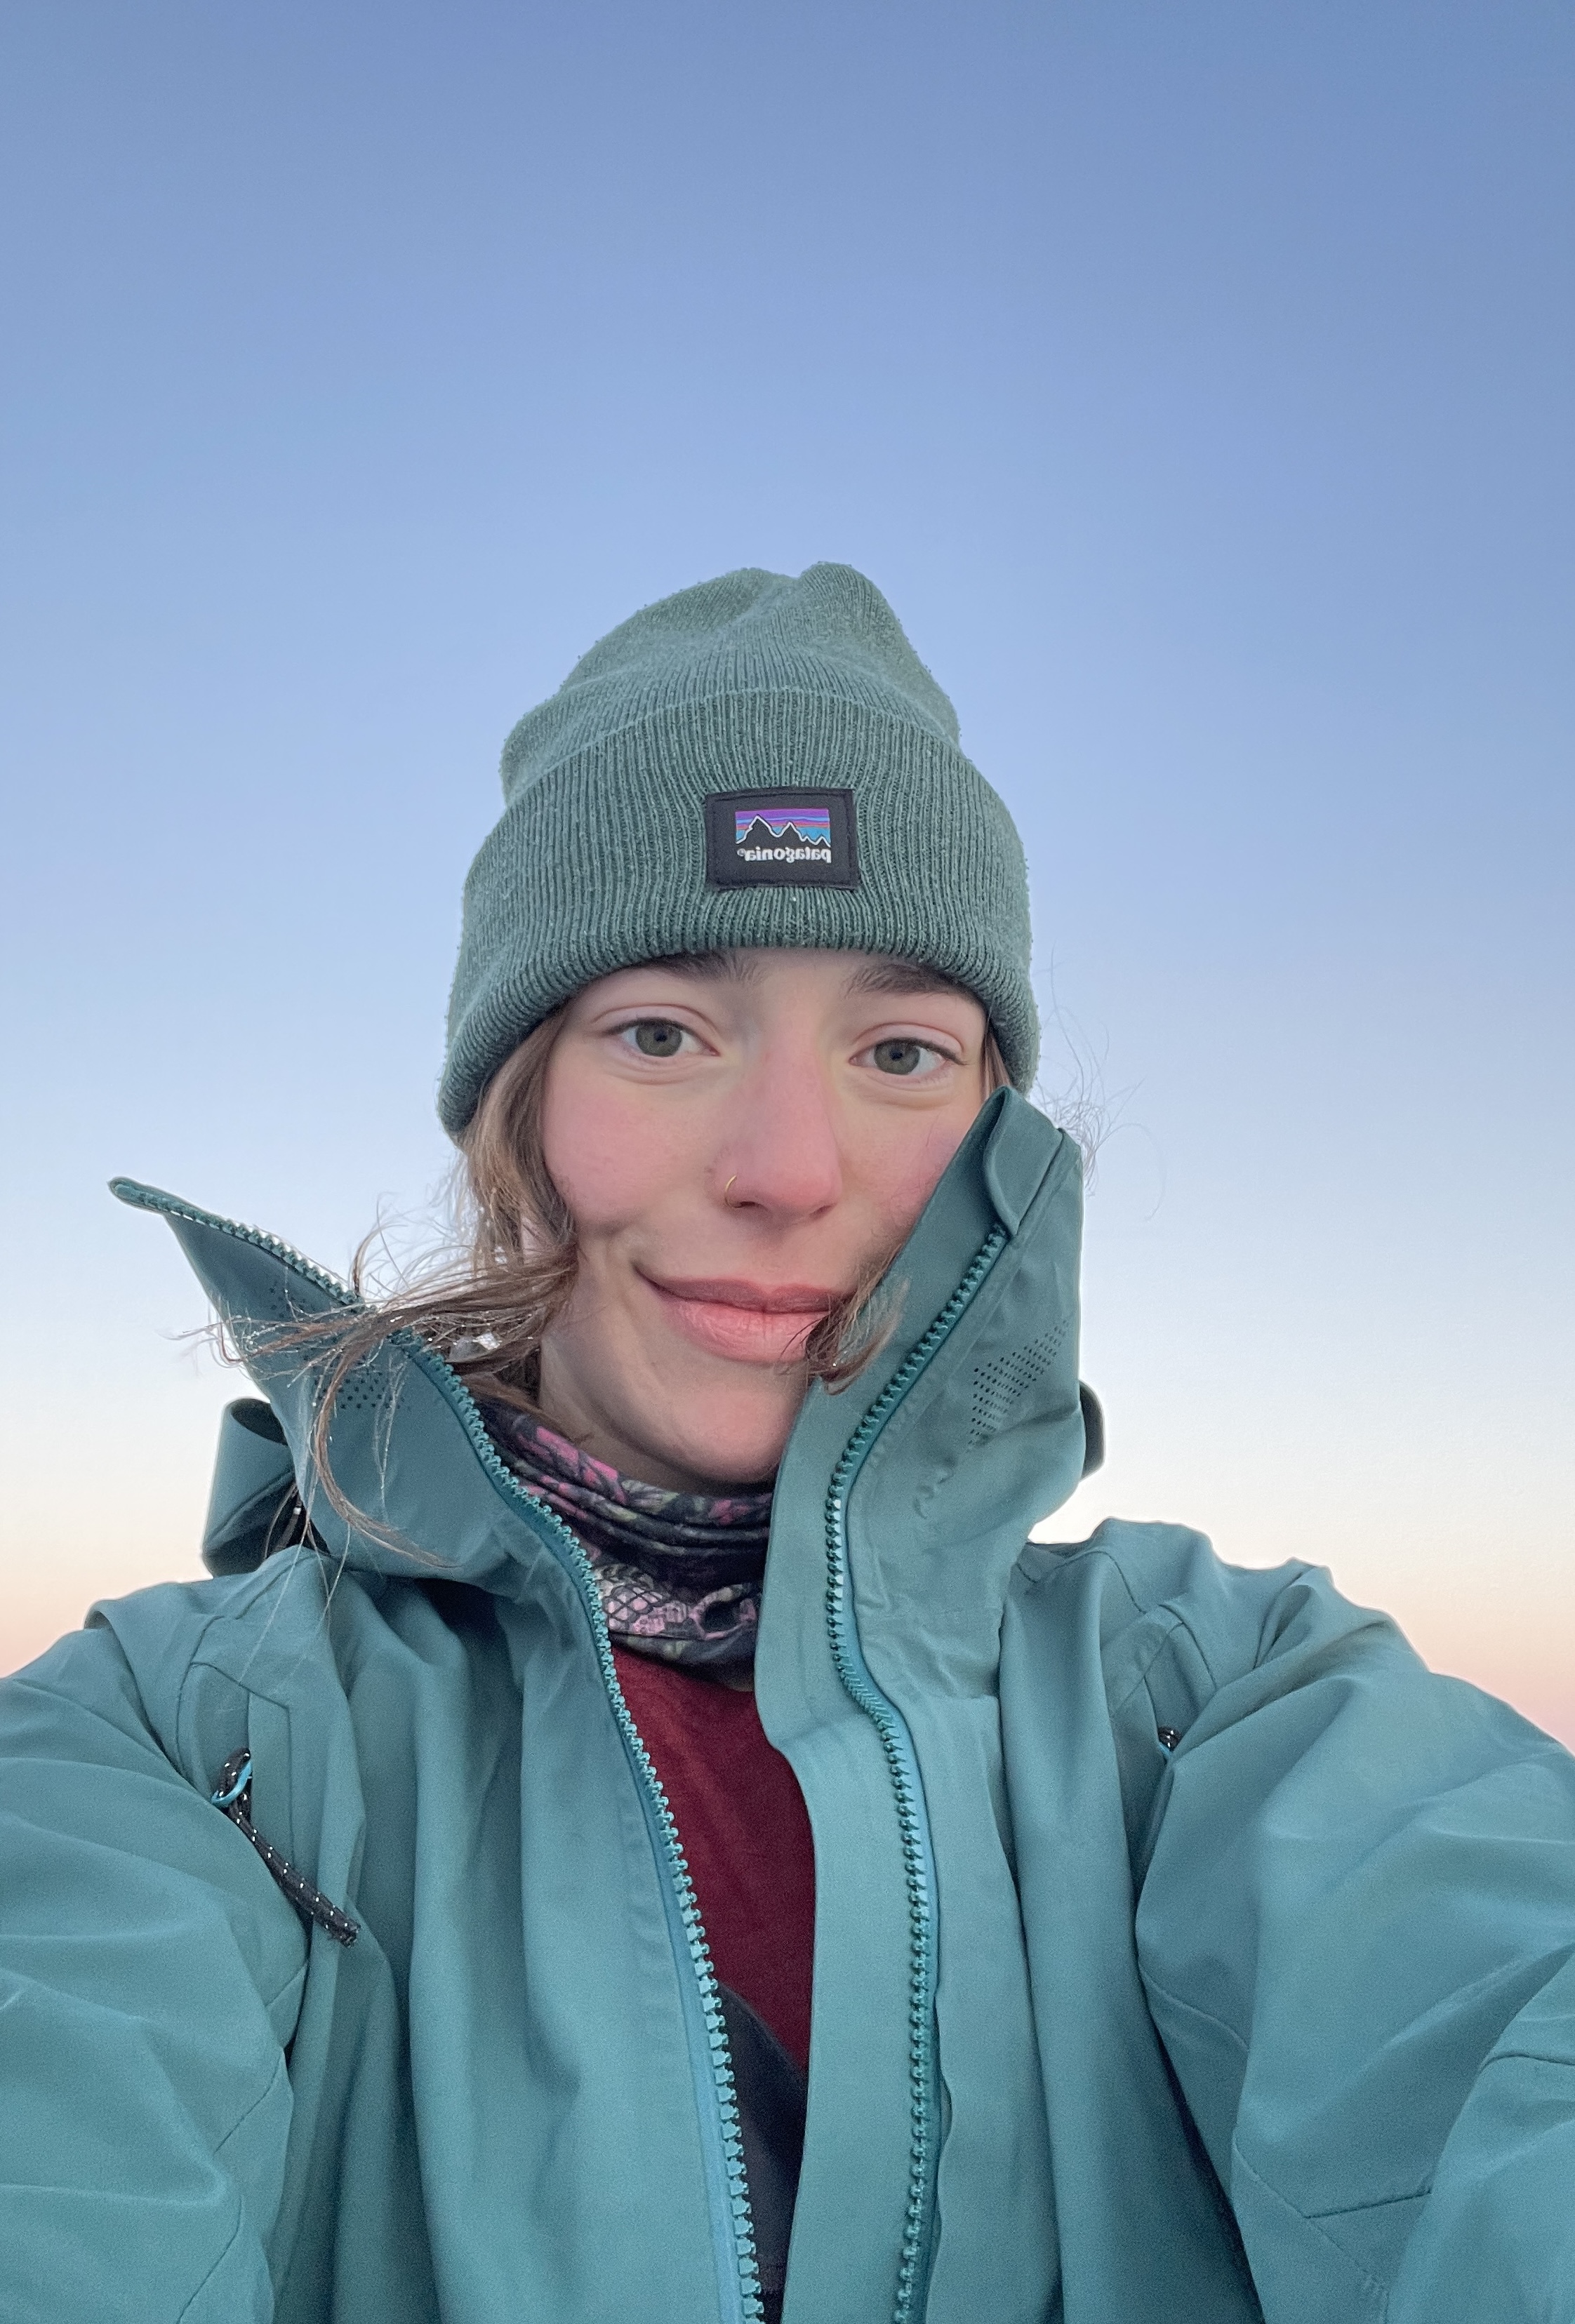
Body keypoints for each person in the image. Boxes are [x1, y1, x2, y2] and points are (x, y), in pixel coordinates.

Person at [2, 565, 1571, 2324]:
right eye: (663, 1032)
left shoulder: (1216, 1693)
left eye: (901, 1049)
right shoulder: (177, 1735)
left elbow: (1507, 2025)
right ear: (516, 1119)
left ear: (994, 1142)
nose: (787, 1167)